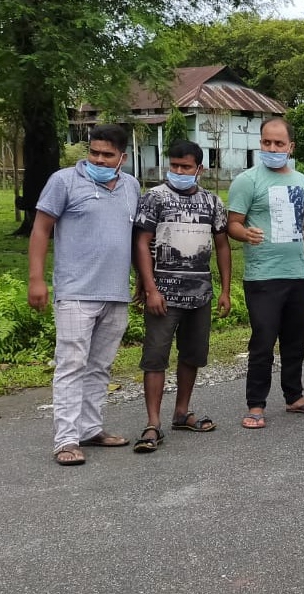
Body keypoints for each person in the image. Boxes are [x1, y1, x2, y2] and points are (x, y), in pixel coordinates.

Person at [28, 123, 140, 465]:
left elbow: (134, 239)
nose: (100, 159)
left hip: (116, 292)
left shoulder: (132, 187)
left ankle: (91, 428)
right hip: (76, 291)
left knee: (100, 366)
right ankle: (65, 440)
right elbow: (40, 229)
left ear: (123, 157)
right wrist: (36, 279)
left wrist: (142, 282)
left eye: (108, 155)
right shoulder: (63, 181)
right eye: (94, 152)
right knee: (71, 365)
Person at [227, 117, 304, 428]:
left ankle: (294, 397)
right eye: (267, 143)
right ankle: (256, 405)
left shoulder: (300, 180)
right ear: (261, 143)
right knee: (263, 341)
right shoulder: (247, 180)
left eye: (279, 143)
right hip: (263, 276)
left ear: (290, 147)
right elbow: (232, 223)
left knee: (296, 340)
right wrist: (245, 234)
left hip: (296, 274)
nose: (272, 148)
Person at [131, 140, 230, 452]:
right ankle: (152, 424)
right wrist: (150, 289)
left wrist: (225, 290)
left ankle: (181, 412)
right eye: (174, 166)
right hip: (163, 295)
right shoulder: (154, 198)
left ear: (199, 169)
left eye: (185, 167)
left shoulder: (213, 202)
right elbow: (142, 243)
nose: (178, 171)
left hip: (200, 294)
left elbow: (223, 246)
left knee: (192, 355)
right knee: (155, 357)